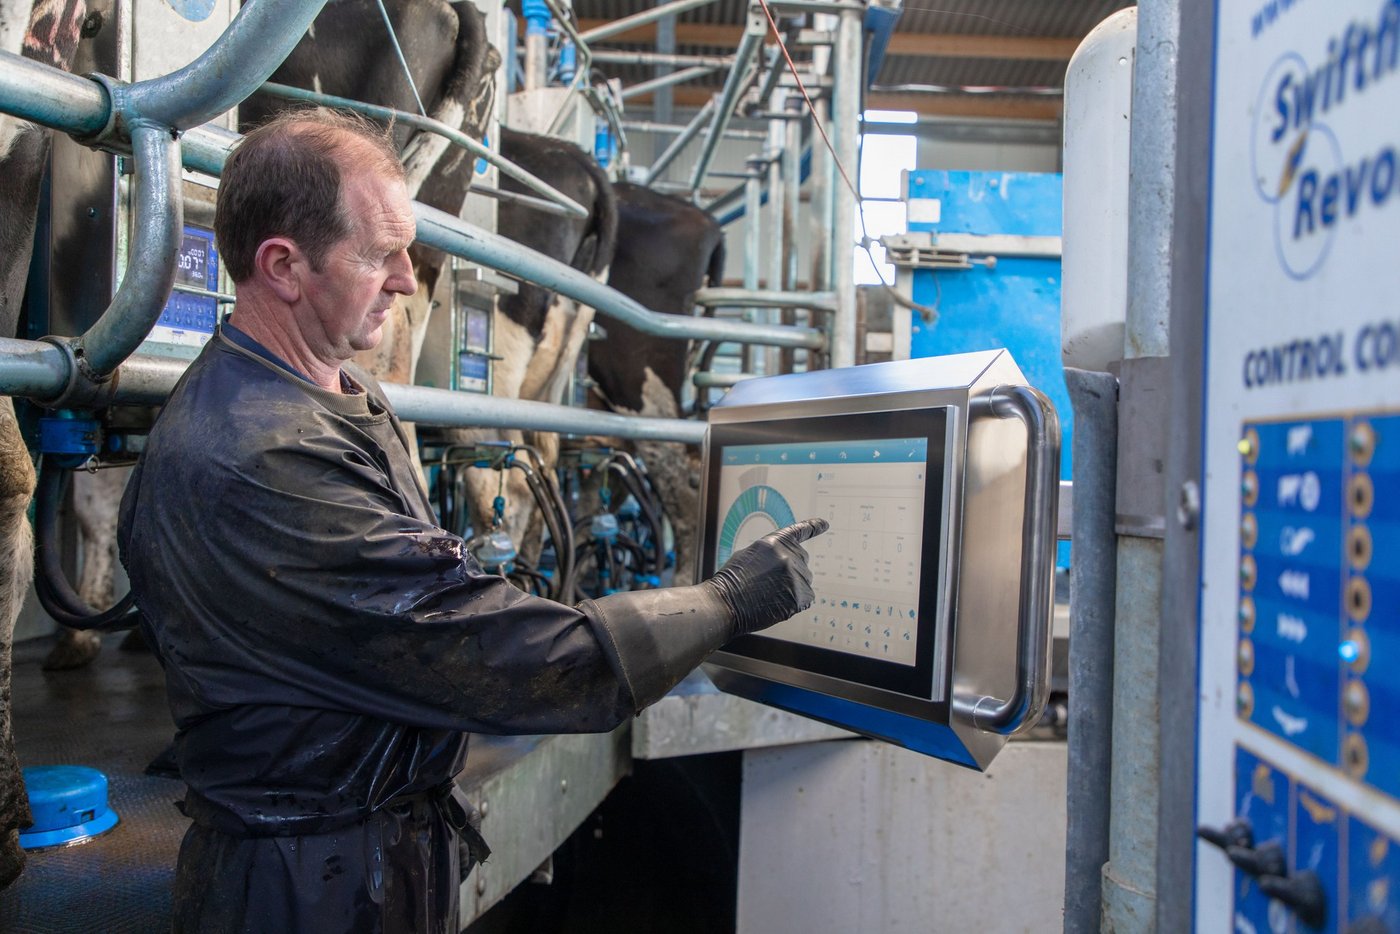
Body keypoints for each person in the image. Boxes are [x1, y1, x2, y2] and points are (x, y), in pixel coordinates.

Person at [117, 108, 827, 934]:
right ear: (283, 266)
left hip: (366, 850)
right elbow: (496, 658)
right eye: (381, 254)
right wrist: (728, 601)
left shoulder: (329, 396)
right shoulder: (261, 459)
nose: (410, 281)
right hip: (305, 885)